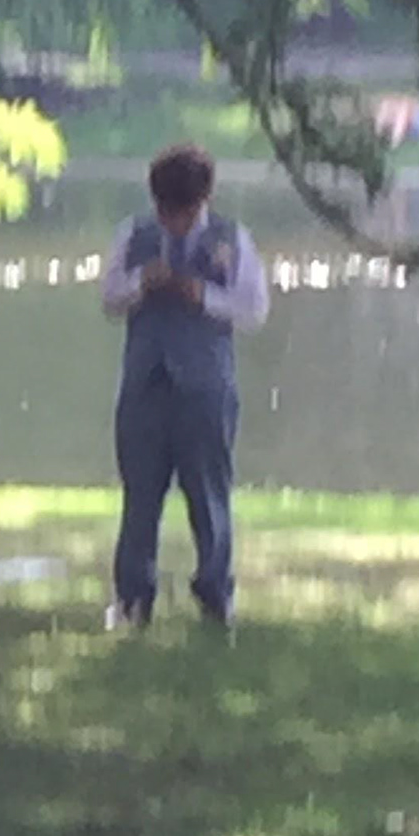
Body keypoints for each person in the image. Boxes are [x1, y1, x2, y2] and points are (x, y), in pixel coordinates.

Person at [101, 144, 269, 631]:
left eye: (182, 213)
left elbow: (254, 309)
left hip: (206, 389)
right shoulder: (134, 235)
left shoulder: (232, 239)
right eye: (164, 211)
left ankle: (216, 592)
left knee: (209, 494)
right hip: (145, 385)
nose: (172, 222)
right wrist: (140, 282)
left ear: (203, 201)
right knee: (140, 497)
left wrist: (207, 297)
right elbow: (109, 298)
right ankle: (133, 596)